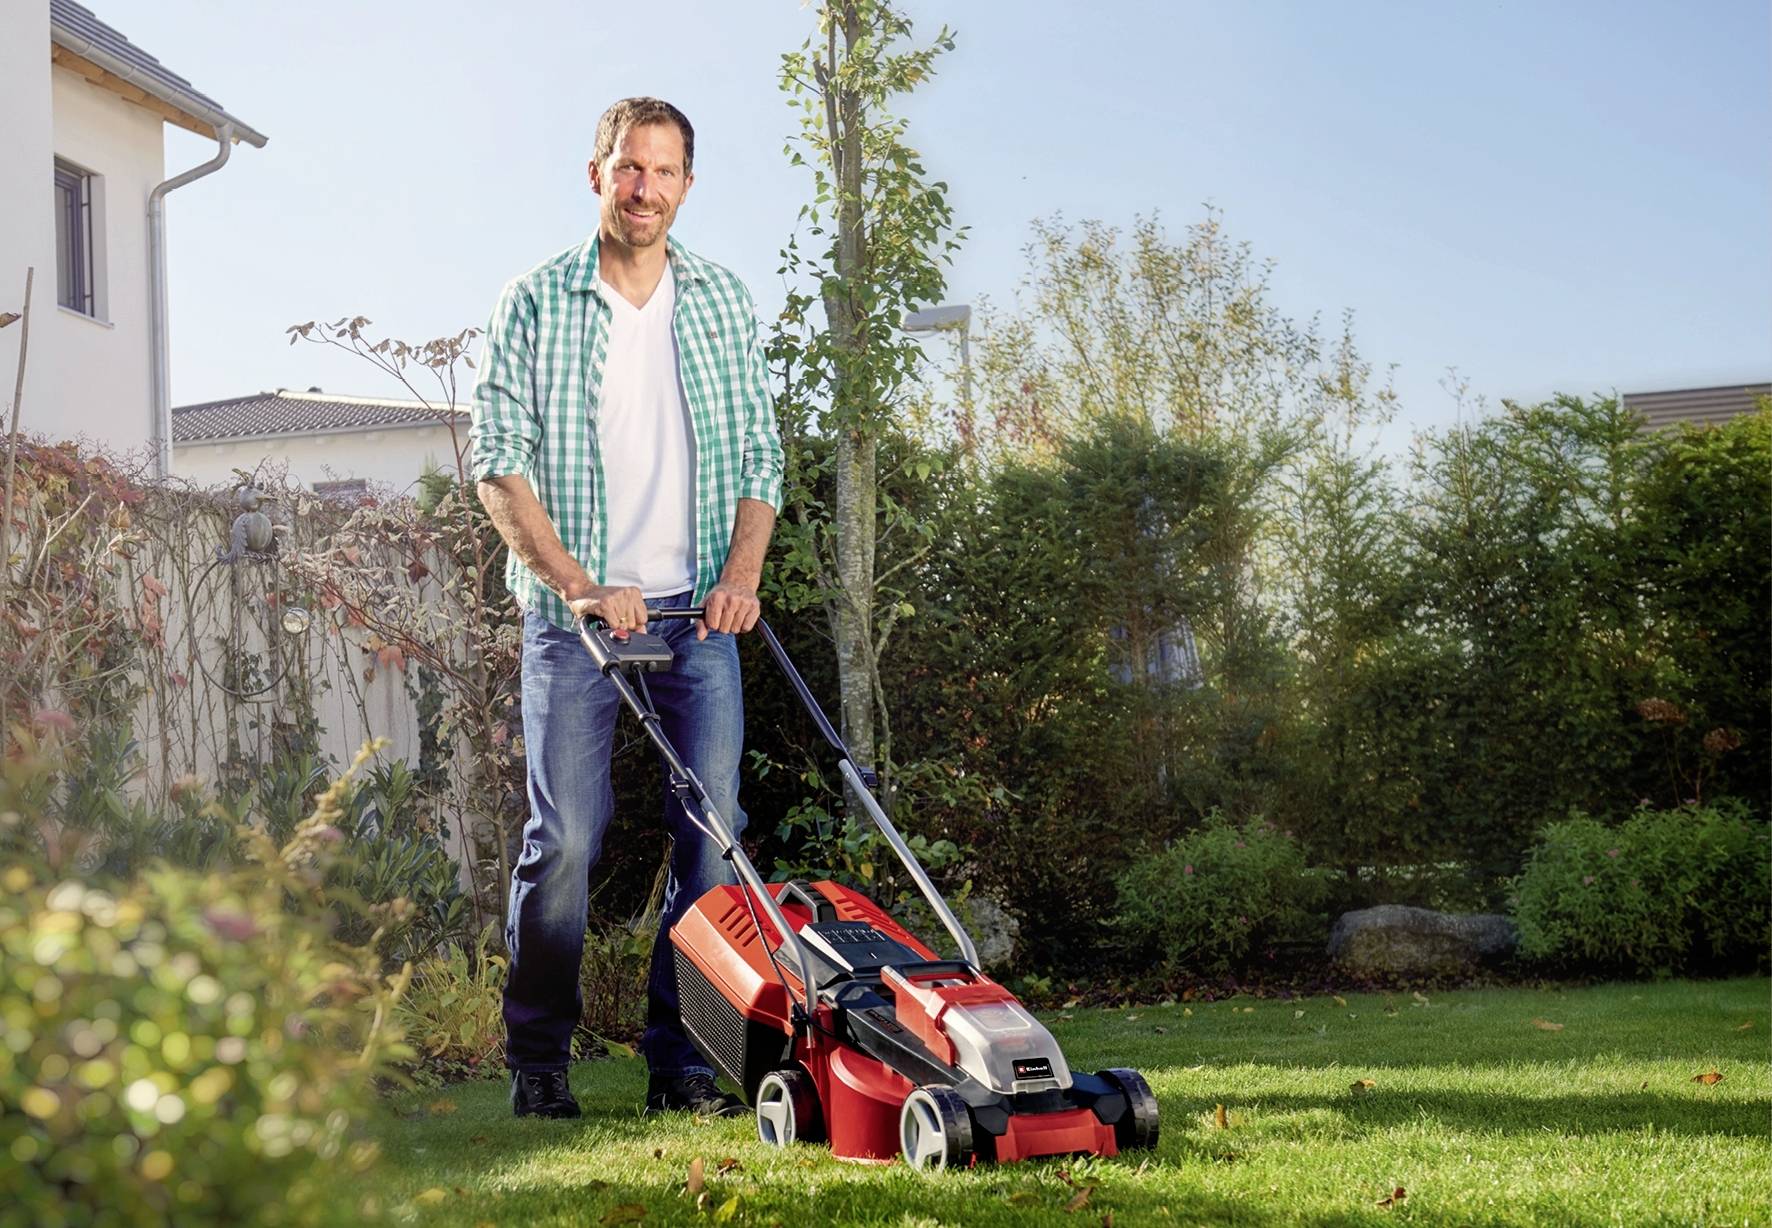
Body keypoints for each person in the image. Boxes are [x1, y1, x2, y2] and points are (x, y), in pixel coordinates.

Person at [469, 96, 782, 1120]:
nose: (645, 188)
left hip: (698, 616)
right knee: (565, 840)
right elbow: (498, 462)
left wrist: (740, 577)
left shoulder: (721, 301)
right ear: (596, 173)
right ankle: (539, 1061)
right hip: (576, 621)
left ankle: (681, 1061)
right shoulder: (534, 301)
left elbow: (760, 455)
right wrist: (578, 585)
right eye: (629, 168)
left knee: (714, 836)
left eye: (664, 171)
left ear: (687, 185)